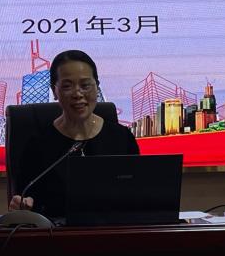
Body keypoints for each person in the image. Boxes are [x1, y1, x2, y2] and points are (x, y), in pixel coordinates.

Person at [9, 49, 139, 217]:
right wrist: (22, 205)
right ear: (54, 91)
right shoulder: (38, 146)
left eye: (85, 85)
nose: (78, 94)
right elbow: (25, 200)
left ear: (97, 88)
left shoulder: (122, 139)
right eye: (67, 86)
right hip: (55, 232)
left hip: (114, 230)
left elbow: (137, 194)